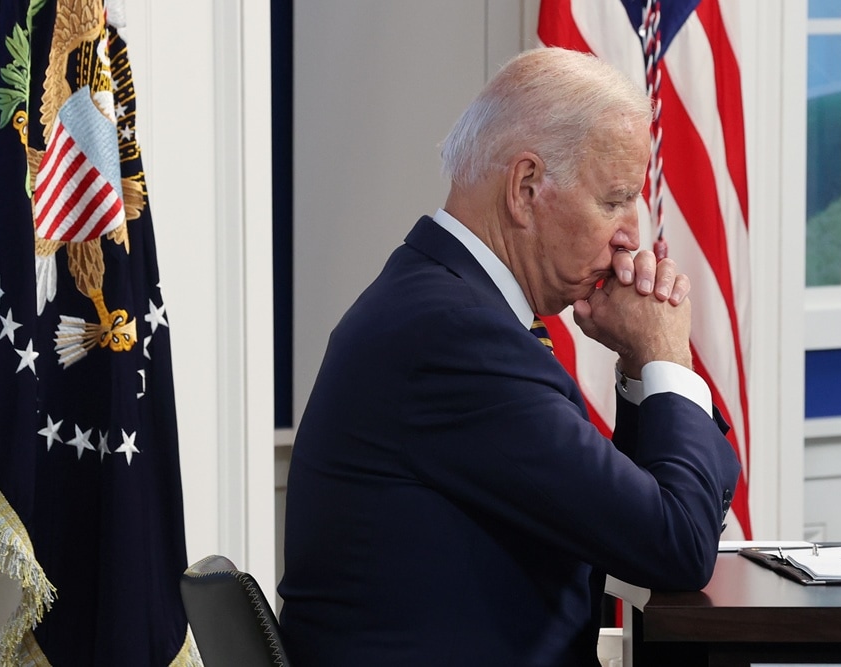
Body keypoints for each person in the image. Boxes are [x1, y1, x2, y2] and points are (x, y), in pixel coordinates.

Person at [278, 47, 740, 667]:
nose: (635, 234)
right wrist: (664, 353)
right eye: (614, 200)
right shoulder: (454, 337)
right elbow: (675, 543)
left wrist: (639, 367)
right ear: (526, 189)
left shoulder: (442, 304)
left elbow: (636, 517)